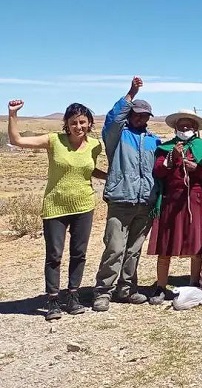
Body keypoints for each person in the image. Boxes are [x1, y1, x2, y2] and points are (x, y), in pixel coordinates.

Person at [7, 100, 105, 320]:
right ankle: (52, 300)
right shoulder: (54, 141)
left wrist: (108, 177)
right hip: (56, 207)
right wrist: (12, 114)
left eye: (82, 122)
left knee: (79, 254)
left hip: (84, 205)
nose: (78, 126)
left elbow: (87, 169)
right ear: (66, 125)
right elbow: (17, 140)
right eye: (73, 123)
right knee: (54, 255)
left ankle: (73, 296)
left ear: (89, 123)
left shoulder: (94, 145)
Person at [93, 77, 160, 312]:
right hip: (121, 199)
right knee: (114, 248)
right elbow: (113, 120)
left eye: (145, 115)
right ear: (130, 114)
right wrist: (130, 93)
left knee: (133, 250)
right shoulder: (117, 137)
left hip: (145, 202)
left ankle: (127, 289)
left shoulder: (154, 141)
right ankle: (103, 291)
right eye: (137, 114)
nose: (140, 118)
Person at [147, 110, 202, 305]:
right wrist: (171, 159)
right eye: (181, 125)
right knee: (166, 245)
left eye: (188, 125)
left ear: (195, 128)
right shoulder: (166, 148)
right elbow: (158, 171)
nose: (185, 128)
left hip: (196, 202)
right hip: (171, 202)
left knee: (197, 245)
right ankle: (161, 287)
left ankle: (194, 284)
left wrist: (197, 169)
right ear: (175, 128)